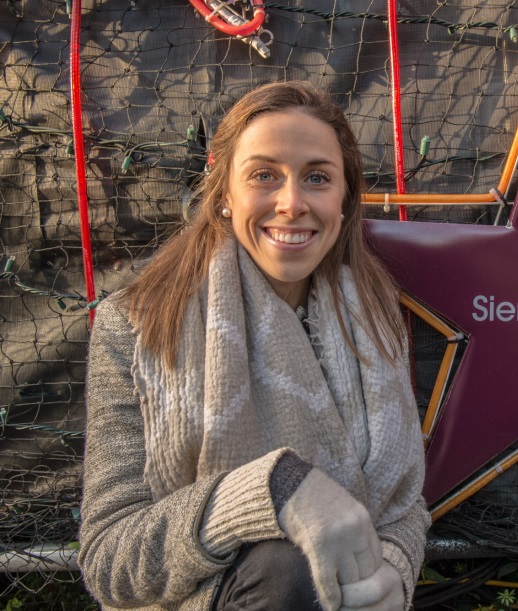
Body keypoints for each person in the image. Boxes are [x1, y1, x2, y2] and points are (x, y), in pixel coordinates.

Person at [78, 81, 430, 611]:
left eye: (317, 178)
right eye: (264, 175)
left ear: (345, 198)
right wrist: (274, 490)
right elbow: (110, 559)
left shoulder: (376, 319)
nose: (292, 204)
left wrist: (395, 574)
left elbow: (404, 508)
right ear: (224, 193)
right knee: (288, 569)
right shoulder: (137, 326)